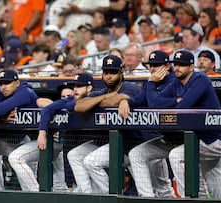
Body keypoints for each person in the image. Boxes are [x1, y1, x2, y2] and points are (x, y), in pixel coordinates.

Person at [146, 50, 221, 198]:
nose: (178, 68)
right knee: (216, 185)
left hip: (214, 139)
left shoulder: (200, 79)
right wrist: (151, 83)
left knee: (177, 156)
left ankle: (192, 199)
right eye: (176, 64)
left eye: (182, 65)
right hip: (201, 139)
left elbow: (183, 108)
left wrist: (171, 104)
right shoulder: (176, 82)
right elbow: (153, 103)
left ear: (191, 67)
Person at [68, 55, 142, 193]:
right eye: (106, 72)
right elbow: (79, 106)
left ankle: (110, 195)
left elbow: (116, 100)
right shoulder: (102, 92)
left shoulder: (130, 88)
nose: (108, 76)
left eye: (113, 72)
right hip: (112, 144)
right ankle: (88, 194)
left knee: (91, 161)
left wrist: (108, 100)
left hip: (134, 144)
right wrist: (106, 97)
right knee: (74, 155)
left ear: (121, 72)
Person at [8, 75, 94, 192]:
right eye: (74, 86)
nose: (75, 89)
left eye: (79, 86)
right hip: (66, 149)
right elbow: (48, 109)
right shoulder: (69, 100)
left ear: (89, 88)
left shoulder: (97, 98)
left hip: (95, 146)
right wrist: (42, 132)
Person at [118, 50, 178, 197]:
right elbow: (139, 99)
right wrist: (125, 101)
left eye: (157, 65)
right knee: (136, 154)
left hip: (184, 139)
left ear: (167, 66)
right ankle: (146, 197)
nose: (152, 69)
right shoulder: (153, 82)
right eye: (151, 65)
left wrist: (151, 82)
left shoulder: (174, 81)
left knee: (165, 189)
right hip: (166, 139)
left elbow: (153, 104)